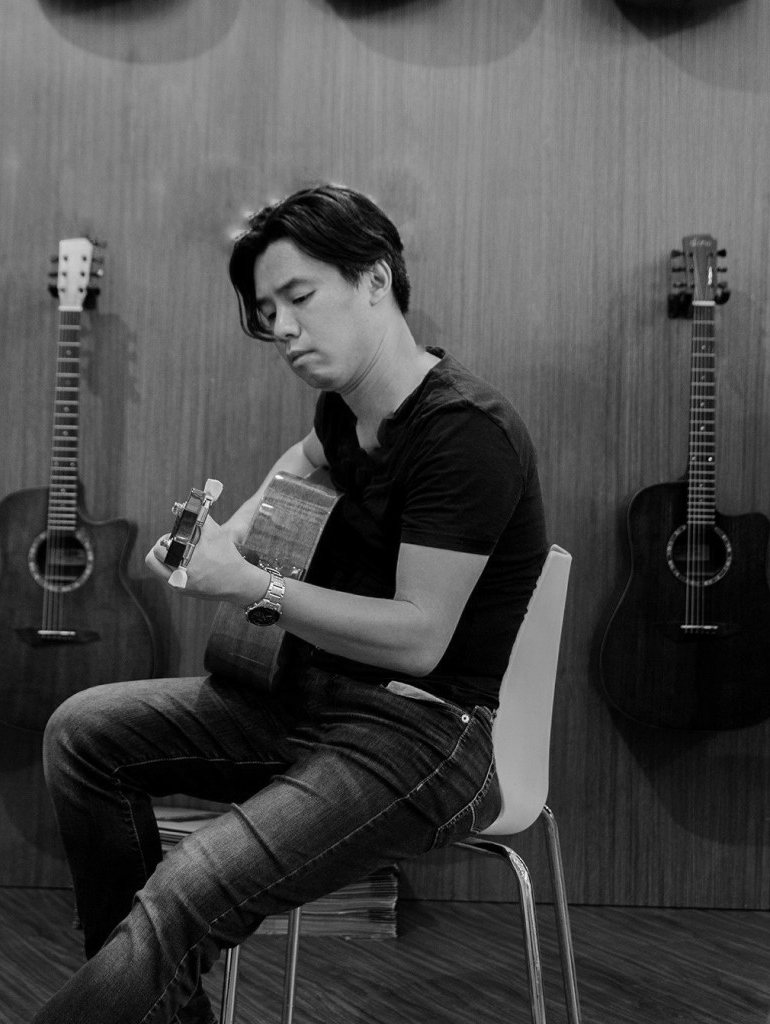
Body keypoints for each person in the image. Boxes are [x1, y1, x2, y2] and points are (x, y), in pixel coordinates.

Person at [32, 184, 547, 1024]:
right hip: (301, 701)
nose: (282, 328)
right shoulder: (345, 410)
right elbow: (303, 459)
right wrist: (232, 533)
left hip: (421, 736)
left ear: (375, 279)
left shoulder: (465, 431)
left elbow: (420, 638)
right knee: (81, 732)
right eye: (268, 312)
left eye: (300, 297)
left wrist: (253, 585)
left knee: (189, 884)